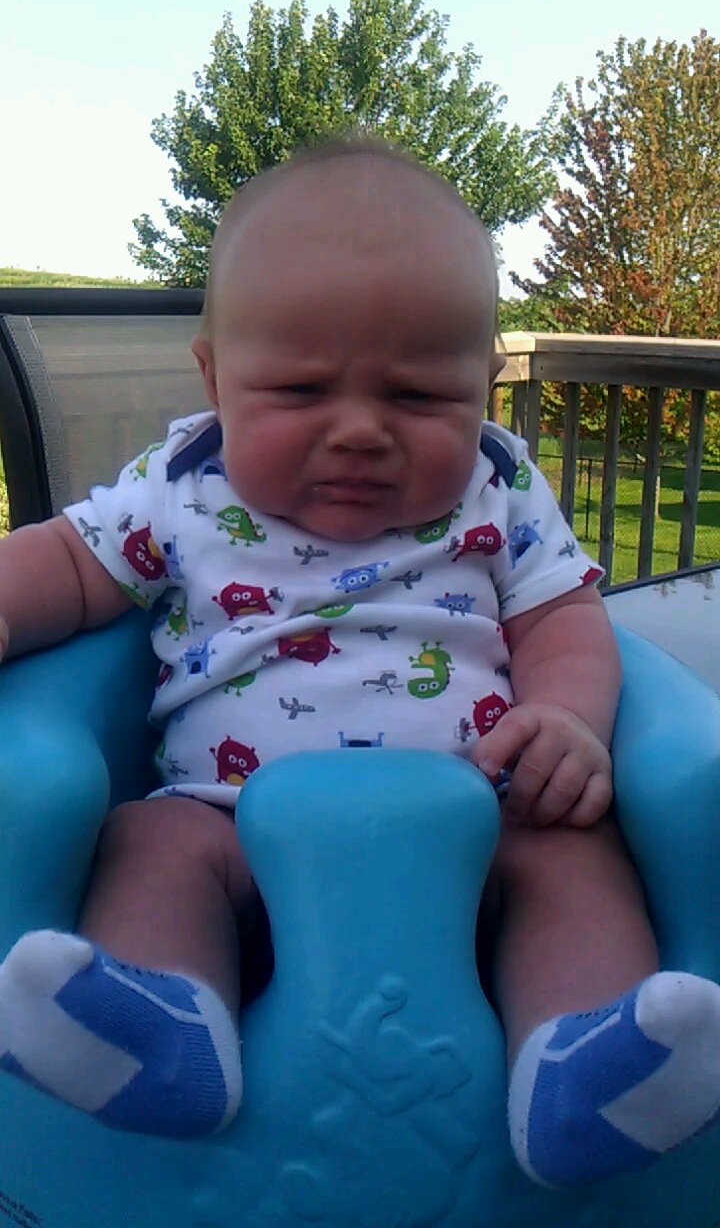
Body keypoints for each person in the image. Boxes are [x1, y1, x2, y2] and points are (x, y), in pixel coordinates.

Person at [1, 137, 719, 1188]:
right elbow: (67, 565)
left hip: (488, 813)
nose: (359, 432)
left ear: (482, 388)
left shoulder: (497, 486)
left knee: (576, 862)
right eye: (299, 390)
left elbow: (564, 615)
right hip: (226, 819)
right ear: (214, 377)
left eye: (420, 398)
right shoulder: (182, 485)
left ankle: (589, 1069)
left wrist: (567, 719)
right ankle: (158, 1030)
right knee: (146, 845)